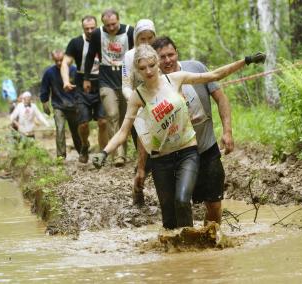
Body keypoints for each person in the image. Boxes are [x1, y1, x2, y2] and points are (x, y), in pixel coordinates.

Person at [92, 44, 265, 229]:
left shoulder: (175, 79)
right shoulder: (137, 96)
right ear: (137, 70)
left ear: (157, 63)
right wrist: (104, 152)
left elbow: (215, 75)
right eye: (142, 68)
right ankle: (178, 251)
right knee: (169, 220)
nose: (148, 71)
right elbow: (123, 132)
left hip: (187, 152)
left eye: (151, 65)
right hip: (161, 159)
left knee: (182, 201)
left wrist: (246, 61)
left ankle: (190, 249)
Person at [144, 36, 234, 225]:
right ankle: (187, 244)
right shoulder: (152, 85)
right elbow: (145, 128)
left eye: (171, 54)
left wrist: (227, 131)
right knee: (180, 205)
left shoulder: (196, 68)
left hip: (206, 146)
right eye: (162, 57)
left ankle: (211, 245)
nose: (168, 60)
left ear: (177, 53)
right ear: (154, 60)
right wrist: (142, 166)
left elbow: (221, 98)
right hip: (176, 155)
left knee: (214, 204)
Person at [83, 8, 134, 167]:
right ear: (103, 23)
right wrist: (86, 78)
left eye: (114, 24)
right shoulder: (98, 34)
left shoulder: (129, 32)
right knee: (112, 115)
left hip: (126, 79)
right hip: (105, 80)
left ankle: (126, 150)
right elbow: (90, 56)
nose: (111, 28)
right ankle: (118, 155)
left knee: (125, 117)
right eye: (108, 25)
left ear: (119, 20)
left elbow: (137, 54)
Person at [61, 15, 108, 164]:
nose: (89, 31)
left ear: (97, 26)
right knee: (83, 123)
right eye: (86, 28)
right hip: (82, 86)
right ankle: (84, 145)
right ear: (82, 28)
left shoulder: (104, 39)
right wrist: (66, 81)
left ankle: (102, 153)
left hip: (101, 82)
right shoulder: (75, 43)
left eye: (92, 28)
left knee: (103, 122)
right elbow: (65, 63)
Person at [122, 19, 156, 205]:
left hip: (162, 107)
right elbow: (126, 86)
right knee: (145, 155)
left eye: (150, 38)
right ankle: (138, 187)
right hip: (140, 109)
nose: (146, 42)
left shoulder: (160, 52)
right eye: (142, 38)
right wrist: (137, 100)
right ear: (135, 39)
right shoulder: (129, 56)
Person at [40, 50, 82, 160]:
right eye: (56, 61)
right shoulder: (49, 72)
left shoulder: (74, 70)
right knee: (60, 129)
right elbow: (44, 89)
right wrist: (45, 104)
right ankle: (61, 156)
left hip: (74, 106)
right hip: (58, 105)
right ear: (53, 60)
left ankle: (82, 152)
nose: (59, 63)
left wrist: (81, 104)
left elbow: (81, 89)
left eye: (61, 60)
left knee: (76, 132)